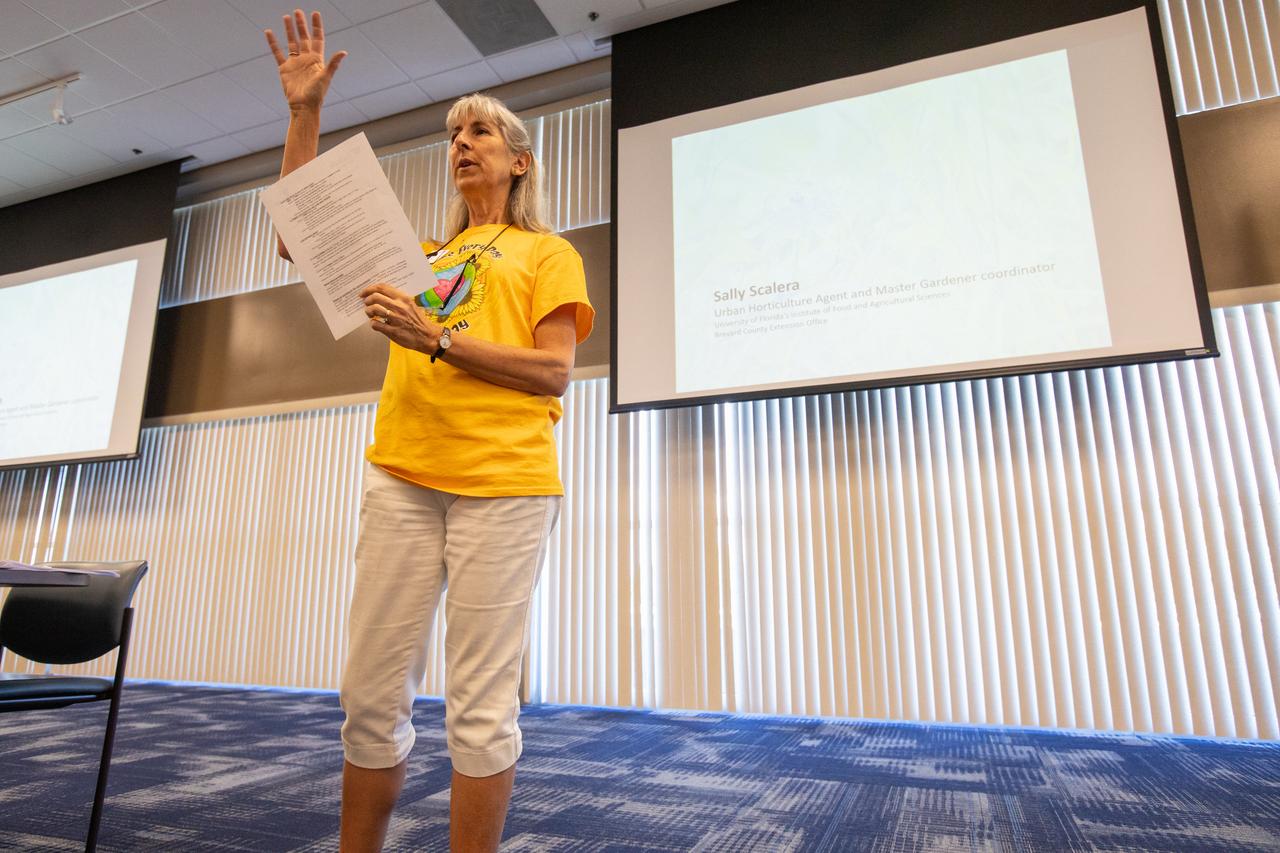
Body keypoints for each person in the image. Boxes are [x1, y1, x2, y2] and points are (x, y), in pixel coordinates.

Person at [264, 10, 594, 852]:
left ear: (519, 159)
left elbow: (555, 372)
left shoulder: (546, 252)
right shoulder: (419, 256)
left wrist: (437, 338)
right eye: (455, 133)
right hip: (402, 476)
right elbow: (295, 236)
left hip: (506, 485)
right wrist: (304, 114)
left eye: (481, 130)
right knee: (370, 695)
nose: (463, 142)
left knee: (480, 706)